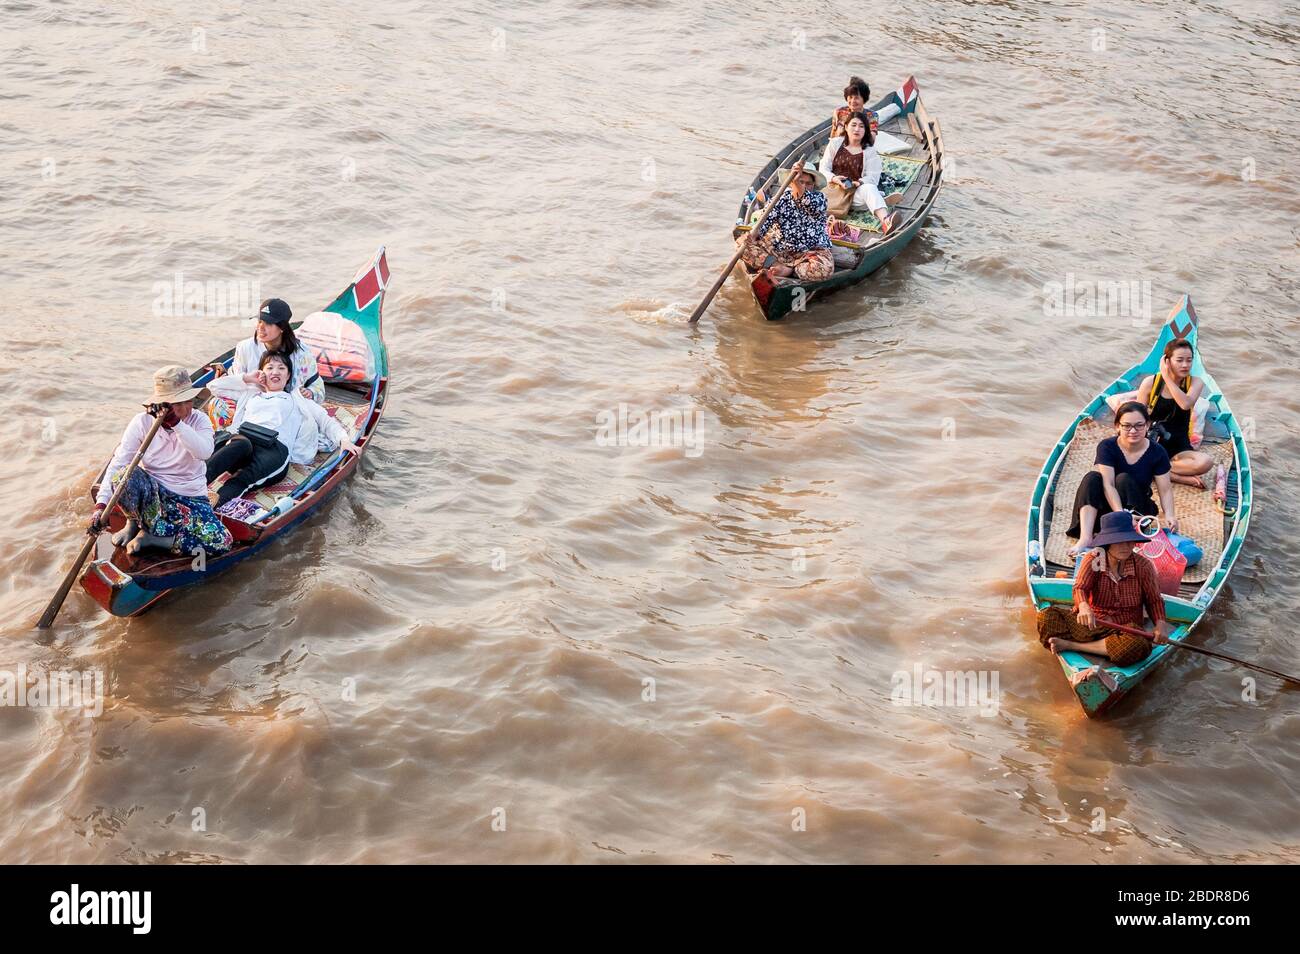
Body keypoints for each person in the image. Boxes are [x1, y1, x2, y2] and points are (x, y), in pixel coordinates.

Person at [89, 366, 233, 557]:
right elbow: (119, 462)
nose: (184, 407)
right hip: (153, 495)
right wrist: (101, 506)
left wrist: (177, 424)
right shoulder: (142, 422)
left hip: (190, 497)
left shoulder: (200, 420)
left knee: (221, 542)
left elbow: (204, 452)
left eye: (187, 400)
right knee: (121, 475)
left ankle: (158, 538)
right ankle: (133, 523)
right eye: (176, 403)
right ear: (161, 404)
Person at [205, 351, 359, 507]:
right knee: (240, 444)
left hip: (273, 450)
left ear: (288, 375)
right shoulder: (252, 393)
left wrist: (343, 440)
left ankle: (210, 506)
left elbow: (325, 420)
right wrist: (248, 378)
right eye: (270, 367)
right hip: (243, 441)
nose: (275, 372)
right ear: (262, 373)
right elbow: (213, 387)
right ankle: (193, 487)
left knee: (243, 479)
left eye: (281, 368)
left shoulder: (296, 399)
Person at [1037, 511, 1170, 666]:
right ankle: (1102, 647)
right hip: (1092, 624)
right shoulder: (1095, 559)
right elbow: (1080, 588)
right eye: (1119, 542)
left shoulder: (1143, 566)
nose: (1126, 547)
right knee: (1046, 617)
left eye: (1129, 541)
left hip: (1125, 629)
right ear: (1108, 543)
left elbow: (1154, 600)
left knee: (1137, 645)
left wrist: (1160, 625)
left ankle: (1070, 645)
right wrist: (1084, 606)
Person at [1066, 402, 1178, 557]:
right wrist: (1121, 515)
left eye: (1139, 425)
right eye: (1127, 426)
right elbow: (1108, 485)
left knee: (1123, 479)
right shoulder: (1107, 446)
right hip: (1112, 510)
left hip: (1137, 510)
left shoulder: (1157, 452)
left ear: (1147, 426)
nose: (1133, 430)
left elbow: (1165, 490)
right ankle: (1086, 537)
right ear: (1117, 426)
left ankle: (1123, 533)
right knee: (1092, 478)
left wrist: (1170, 515)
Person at [1135, 339, 1215, 489]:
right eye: (1179, 360)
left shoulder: (1195, 382)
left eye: (1189, 360)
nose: (1185, 365)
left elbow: (1185, 404)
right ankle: (1174, 476)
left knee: (1206, 462)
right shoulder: (1150, 383)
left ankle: (1157, 470)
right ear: (1167, 361)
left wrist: (1167, 378)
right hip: (1151, 446)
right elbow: (1137, 416)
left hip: (1179, 448)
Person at [738, 161, 834, 283]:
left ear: (813, 185)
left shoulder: (819, 199)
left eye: (808, 183)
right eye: (801, 182)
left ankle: (790, 269)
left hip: (810, 252)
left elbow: (807, 201)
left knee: (823, 270)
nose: (804, 186)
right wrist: (753, 234)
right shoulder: (781, 198)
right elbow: (764, 222)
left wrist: (797, 182)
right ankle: (776, 264)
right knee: (741, 244)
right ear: (790, 183)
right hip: (781, 250)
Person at [229, 298, 325, 403]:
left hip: (290, 408)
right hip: (253, 407)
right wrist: (248, 379)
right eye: (260, 321)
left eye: (268, 323)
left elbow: (318, 388)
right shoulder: (245, 348)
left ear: (282, 327)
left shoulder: (302, 353)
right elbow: (233, 384)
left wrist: (310, 393)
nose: (260, 327)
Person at [818, 110, 895, 233]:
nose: (857, 129)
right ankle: (879, 201)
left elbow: (873, 177)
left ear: (865, 130)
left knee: (869, 188)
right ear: (846, 127)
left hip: (854, 194)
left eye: (861, 126)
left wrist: (858, 182)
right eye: (853, 125)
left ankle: (886, 221)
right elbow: (823, 168)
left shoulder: (869, 150)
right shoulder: (835, 143)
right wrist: (834, 179)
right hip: (833, 191)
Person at [830, 76, 877, 141]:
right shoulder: (839, 112)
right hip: (839, 147)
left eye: (856, 98)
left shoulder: (871, 115)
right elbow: (833, 134)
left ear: (864, 99)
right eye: (850, 97)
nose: (852, 101)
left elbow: (872, 139)